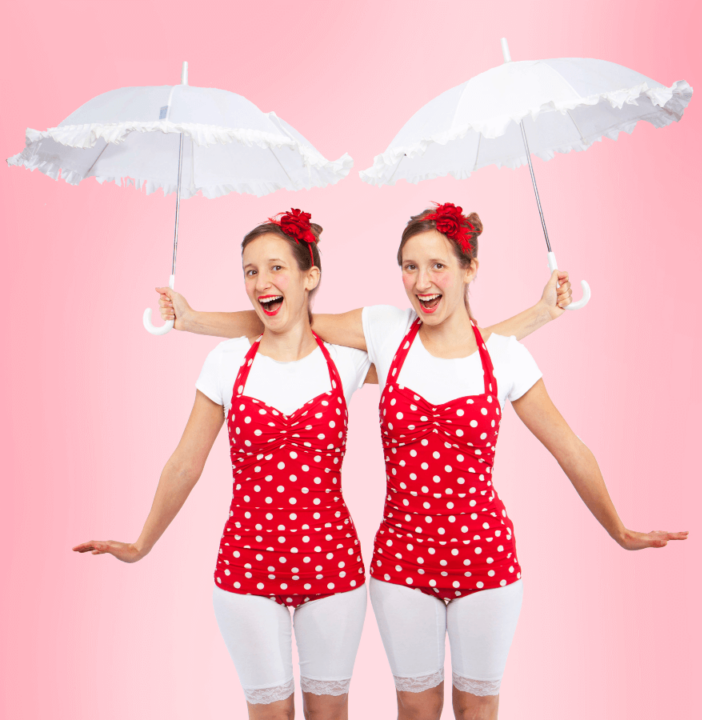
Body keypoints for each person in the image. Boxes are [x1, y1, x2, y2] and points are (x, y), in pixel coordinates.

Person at [157, 203, 688, 720]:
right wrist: (193, 320)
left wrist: (618, 529)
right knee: (415, 709)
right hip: (401, 563)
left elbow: (570, 449)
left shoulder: (502, 355)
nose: (421, 279)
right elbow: (293, 318)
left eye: (437, 265)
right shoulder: (387, 332)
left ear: (469, 269)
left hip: (488, 561)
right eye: (410, 266)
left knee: (477, 711)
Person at [73, 208, 570, 720]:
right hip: (246, 568)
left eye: (275, 268)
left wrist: (538, 315)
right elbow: (184, 465)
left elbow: (456, 350)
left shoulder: (349, 361)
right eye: (249, 271)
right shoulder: (225, 362)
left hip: (333, 566)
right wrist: (140, 544)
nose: (261, 282)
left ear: (310, 277)